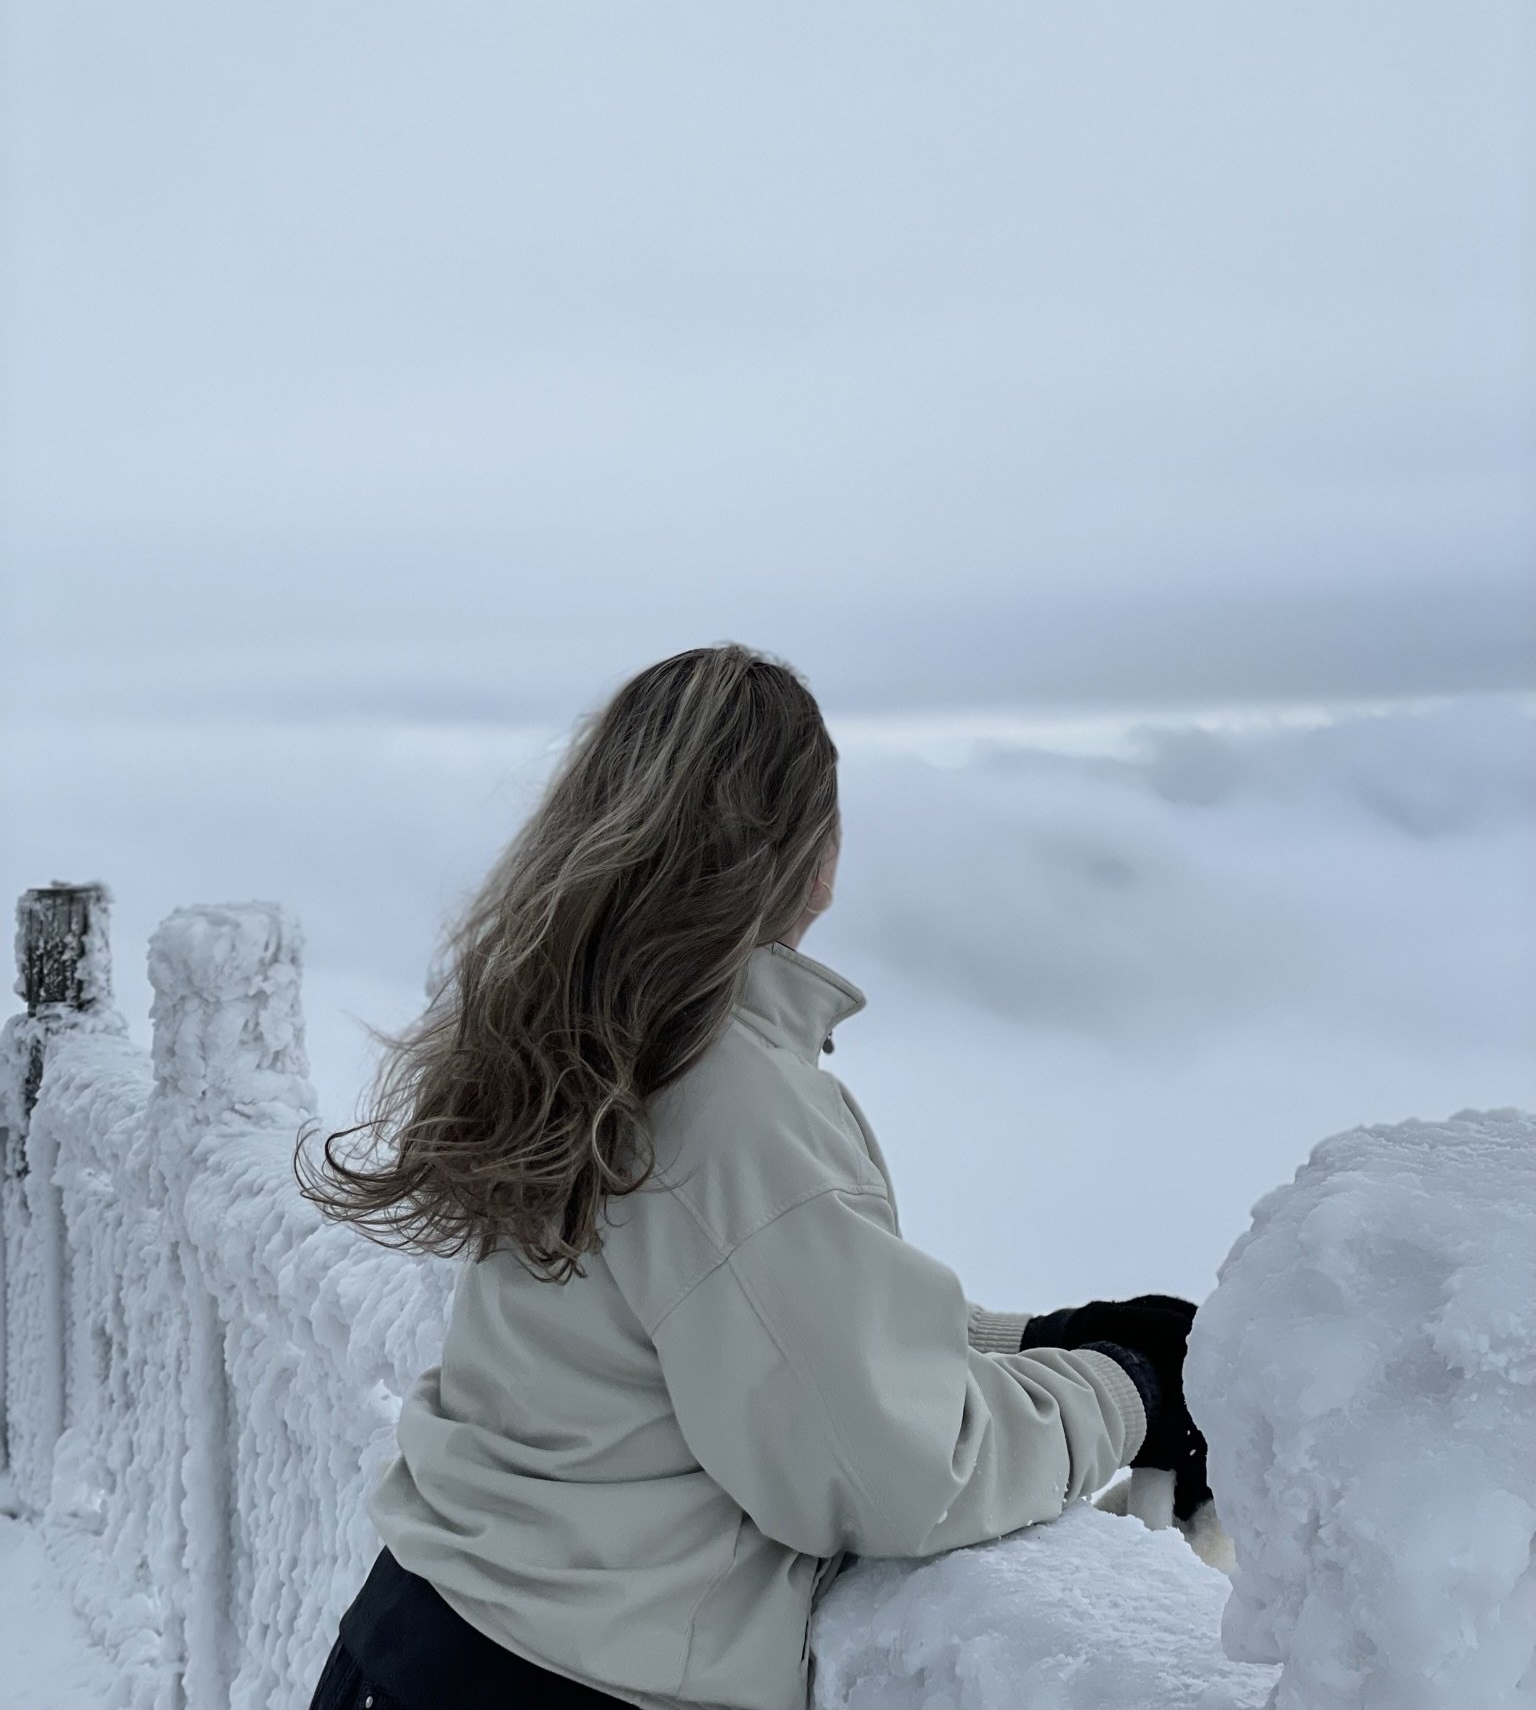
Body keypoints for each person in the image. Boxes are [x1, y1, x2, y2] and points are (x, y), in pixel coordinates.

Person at [295, 642, 1209, 1710]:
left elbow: (745, 1312)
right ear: (804, 855)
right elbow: (897, 1470)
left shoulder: (585, 1035)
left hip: (416, 1641)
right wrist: (1128, 1387)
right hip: (561, 1681)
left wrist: (1035, 1339)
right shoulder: (727, 1096)